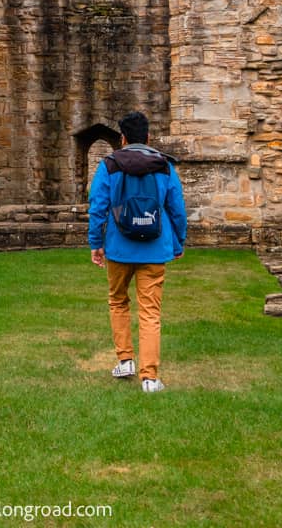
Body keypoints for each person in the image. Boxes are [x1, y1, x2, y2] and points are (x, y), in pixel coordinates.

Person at [88, 111, 187, 393]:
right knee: (150, 312)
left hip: (119, 248)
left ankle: (125, 360)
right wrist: (178, 243)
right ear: (147, 137)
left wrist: (96, 243)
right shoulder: (165, 166)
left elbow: (97, 208)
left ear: (122, 138)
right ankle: (150, 378)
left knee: (118, 301)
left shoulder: (109, 165)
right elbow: (177, 210)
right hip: (155, 249)